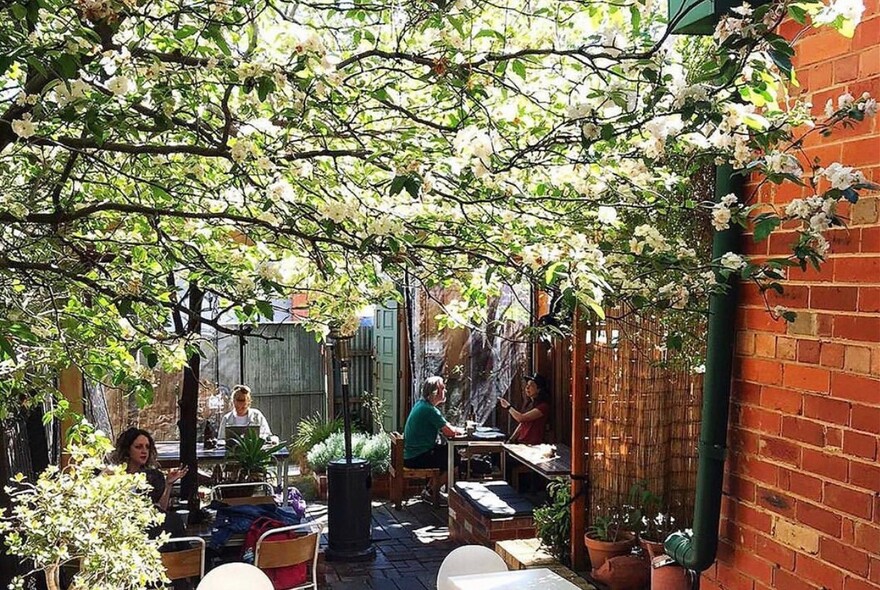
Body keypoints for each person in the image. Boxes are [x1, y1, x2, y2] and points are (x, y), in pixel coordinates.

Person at [403, 376, 463, 496]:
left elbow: (444, 426)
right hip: (417, 457)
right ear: (434, 392)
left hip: (411, 454)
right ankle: (432, 491)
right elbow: (449, 432)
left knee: (447, 453)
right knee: (454, 459)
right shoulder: (430, 410)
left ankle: (429, 489)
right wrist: (461, 430)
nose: (445, 391)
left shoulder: (421, 405)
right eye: (442, 388)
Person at [114, 427, 187, 511]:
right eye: (138, 447)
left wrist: (168, 483)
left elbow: (160, 509)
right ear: (127, 450)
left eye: (147, 447)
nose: (144, 451)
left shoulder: (152, 477)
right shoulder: (116, 475)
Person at [499, 373, 550, 444]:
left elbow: (522, 418)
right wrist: (511, 440)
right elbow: (522, 424)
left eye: (531, 385)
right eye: (527, 385)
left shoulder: (543, 407)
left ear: (538, 390)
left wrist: (508, 407)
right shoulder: (530, 404)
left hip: (533, 444)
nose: (527, 387)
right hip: (522, 442)